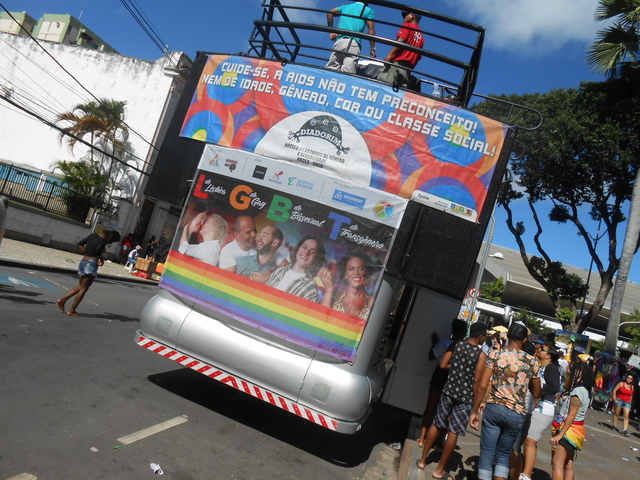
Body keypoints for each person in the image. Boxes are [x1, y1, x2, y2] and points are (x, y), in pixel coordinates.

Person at [470, 322, 541, 480]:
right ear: (524, 341)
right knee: (503, 456)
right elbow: (537, 392)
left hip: (495, 408)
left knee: (487, 455)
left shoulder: (496, 354)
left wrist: (474, 411)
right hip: (517, 414)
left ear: (508, 337)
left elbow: (482, 386)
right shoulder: (532, 361)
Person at [417, 322, 488, 478]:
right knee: (454, 431)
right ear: (480, 336)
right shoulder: (481, 355)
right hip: (465, 397)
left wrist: (455, 368)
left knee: (437, 422)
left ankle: (422, 460)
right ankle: (439, 469)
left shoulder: (456, 345)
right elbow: (477, 381)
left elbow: (443, 364)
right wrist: (475, 407)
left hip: (448, 390)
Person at [415, 319, 469, 448]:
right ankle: (439, 443)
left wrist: (434, 344)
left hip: (439, 377)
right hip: (453, 381)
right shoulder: (464, 349)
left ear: (452, 330)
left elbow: (431, 357)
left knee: (430, 407)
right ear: (464, 334)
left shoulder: (443, 343)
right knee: (447, 413)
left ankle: (422, 438)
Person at [56, 230, 121, 316]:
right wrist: (101, 254)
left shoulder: (92, 235)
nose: (111, 242)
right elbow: (97, 251)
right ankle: (71, 310)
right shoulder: (103, 241)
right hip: (91, 264)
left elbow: (79, 244)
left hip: (83, 262)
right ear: (111, 238)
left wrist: (88, 253)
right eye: (113, 241)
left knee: (80, 286)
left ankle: (63, 300)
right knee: (84, 288)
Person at [550, 359, 594, 480]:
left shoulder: (578, 391)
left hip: (569, 431)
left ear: (579, 373)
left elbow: (571, 415)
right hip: (575, 430)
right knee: (568, 463)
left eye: (573, 370)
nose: (569, 371)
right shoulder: (583, 390)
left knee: (557, 463)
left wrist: (561, 434)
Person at [266, 235, 326, 302]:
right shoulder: (279, 271)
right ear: (298, 249)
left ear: (316, 259)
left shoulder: (310, 289)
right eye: (304, 247)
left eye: (312, 252)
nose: (306, 253)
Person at [318, 251, 375, 318]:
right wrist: (329, 289)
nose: (356, 273)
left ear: (367, 273)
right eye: (351, 269)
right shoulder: (335, 296)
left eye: (361, 269)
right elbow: (320, 319)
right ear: (345, 274)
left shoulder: (373, 302)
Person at [325, 1, 376, 74]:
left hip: (340, 41)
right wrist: (373, 49)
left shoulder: (346, 7)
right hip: (353, 42)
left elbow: (330, 12)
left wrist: (331, 31)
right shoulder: (368, 10)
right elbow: (371, 28)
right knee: (348, 72)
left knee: (331, 69)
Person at [377, 10, 424, 89]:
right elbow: (419, 56)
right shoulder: (421, 36)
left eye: (406, 15)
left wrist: (390, 54)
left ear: (412, 16)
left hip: (397, 62)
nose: (404, 17)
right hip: (408, 68)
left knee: (383, 85)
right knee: (401, 91)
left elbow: (401, 41)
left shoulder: (407, 25)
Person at [612, 372, 636, 437]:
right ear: (626, 378)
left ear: (632, 380)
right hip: (619, 400)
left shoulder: (632, 387)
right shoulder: (621, 383)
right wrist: (615, 399)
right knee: (617, 414)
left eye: (631, 379)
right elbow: (614, 390)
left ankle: (624, 429)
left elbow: (631, 396)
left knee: (626, 416)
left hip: (627, 402)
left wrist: (630, 404)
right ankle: (614, 425)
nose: (629, 379)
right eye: (628, 378)